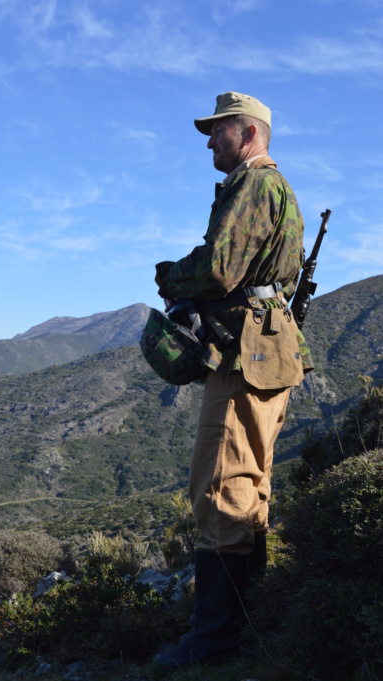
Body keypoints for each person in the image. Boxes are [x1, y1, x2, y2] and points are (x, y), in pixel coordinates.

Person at [153, 91, 313, 668]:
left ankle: (215, 639)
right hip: (274, 351)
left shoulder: (252, 186)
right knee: (253, 484)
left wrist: (171, 276)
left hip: (244, 355)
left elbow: (219, 269)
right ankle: (249, 618)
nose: (209, 140)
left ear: (249, 133)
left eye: (218, 130)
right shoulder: (281, 189)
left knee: (219, 483)